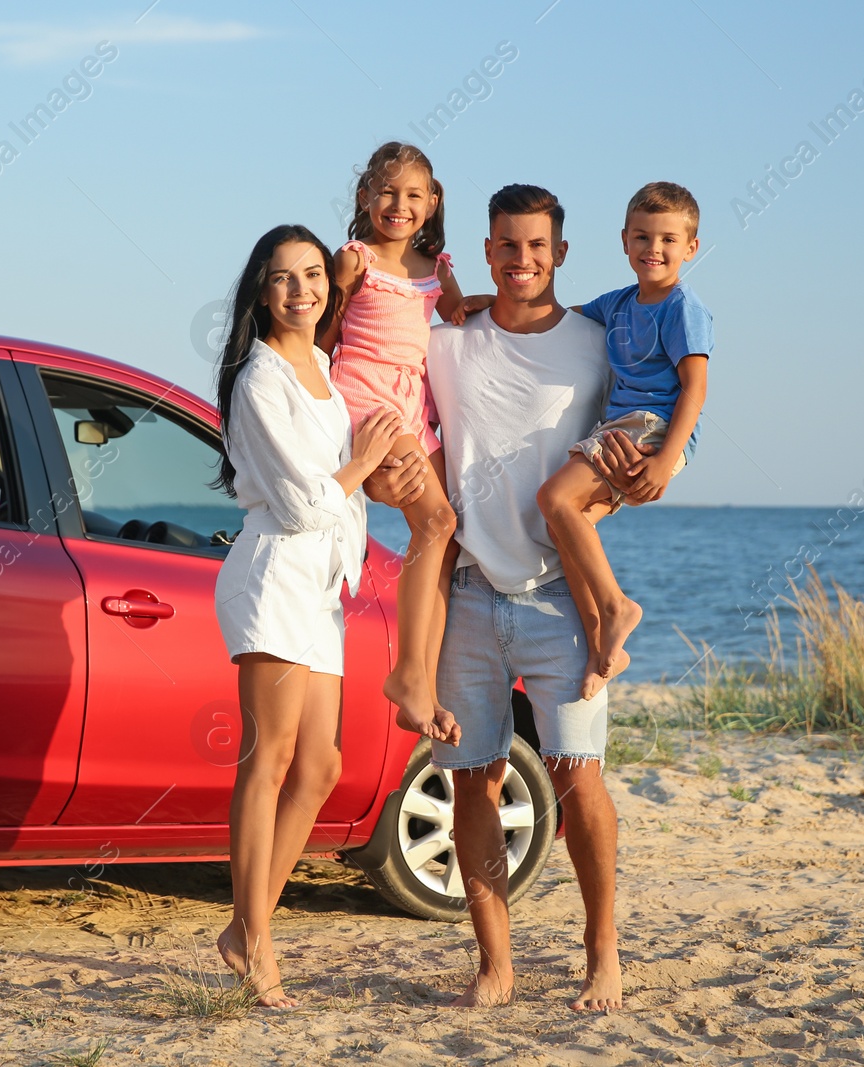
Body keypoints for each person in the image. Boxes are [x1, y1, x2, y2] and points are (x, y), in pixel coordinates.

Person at [369, 185, 633, 1011]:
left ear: (559, 253)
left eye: (538, 248)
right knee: (471, 781)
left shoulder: (597, 345)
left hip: (562, 599)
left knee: (577, 773)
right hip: (469, 595)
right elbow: (378, 378)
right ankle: (496, 960)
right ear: (486, 251)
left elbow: (640, 439)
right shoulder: (448, 344)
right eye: (508, 247)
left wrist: (621, 491)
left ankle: (602, 947)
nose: (523, 261)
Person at [212, 224, 402, 1007]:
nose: (302, 289)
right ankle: (256, 941)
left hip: (321, 587)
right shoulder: (259, 380)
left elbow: (337, 497)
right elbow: (296, 500)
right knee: (269, 758)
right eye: (285, 278)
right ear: (262, 291)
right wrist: (360, 461)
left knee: (320, 766)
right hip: (273, 575)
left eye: (314, 275)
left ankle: (242, 925)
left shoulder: (322, 363)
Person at [538, 181, 712, 698]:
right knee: (567, 528)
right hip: (621, 427)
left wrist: (667, 460)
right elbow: (556, 317)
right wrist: (485, 301)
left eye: (666, 240)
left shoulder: (682, 307)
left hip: (652, 426)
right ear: (623, 241)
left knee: (552, 497)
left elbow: (695, 389)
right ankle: (602, 649)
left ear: (690, 248)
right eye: (641, 237)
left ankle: (617, 607)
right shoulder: (618, 304)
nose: (652, 249)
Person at [323, 141, 465, 747]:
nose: (398, 205)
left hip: (417, 402)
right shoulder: (354, 260)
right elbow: (323, 336)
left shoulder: (436, 266)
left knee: (449, 533)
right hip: (368, 398)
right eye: (386, 192)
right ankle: (406, 676)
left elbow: (460, 314)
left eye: (413, 195)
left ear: (432, 203)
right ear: (364, 197)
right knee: (434, 521)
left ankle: (422, 680)